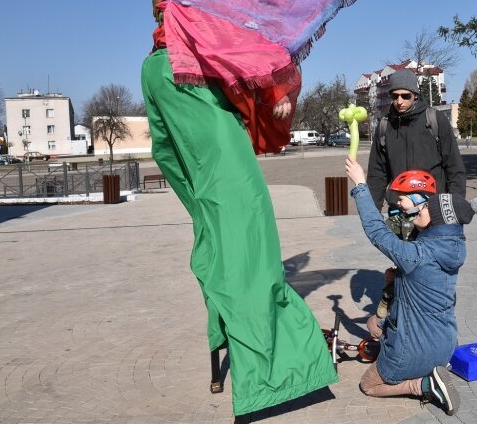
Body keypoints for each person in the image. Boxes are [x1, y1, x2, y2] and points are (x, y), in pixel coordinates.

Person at [141, 37, 337, 416]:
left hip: (160, 74)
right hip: (189, 74)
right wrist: (276, 86)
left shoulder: (174, 6)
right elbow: (237, 29)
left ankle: (222, 344)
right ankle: (269, 377)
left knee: (215, 235)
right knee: (249, 242)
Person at [345, 158, 477, 416]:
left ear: (437, 219)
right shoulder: (453, 248)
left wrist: (361, 184)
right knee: (373, 324)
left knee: (369, 384)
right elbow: (425, 283)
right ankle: (422, 367)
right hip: (445, 347)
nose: (420, 210)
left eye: (425, 209)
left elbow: (377, 231)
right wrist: (397, 280)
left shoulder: (417, 253)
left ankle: (422, 385)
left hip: (410, 352)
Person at [366, 68, 466, 212]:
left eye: (405, 96)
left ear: (416, 95)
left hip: (433, 208)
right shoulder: (384, 125)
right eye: (395, 96)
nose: (399, 101)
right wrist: (372, 213)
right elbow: (377, 175)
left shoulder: (435, 120)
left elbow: (454, 167)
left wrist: (455, 207)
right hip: (398, 209)